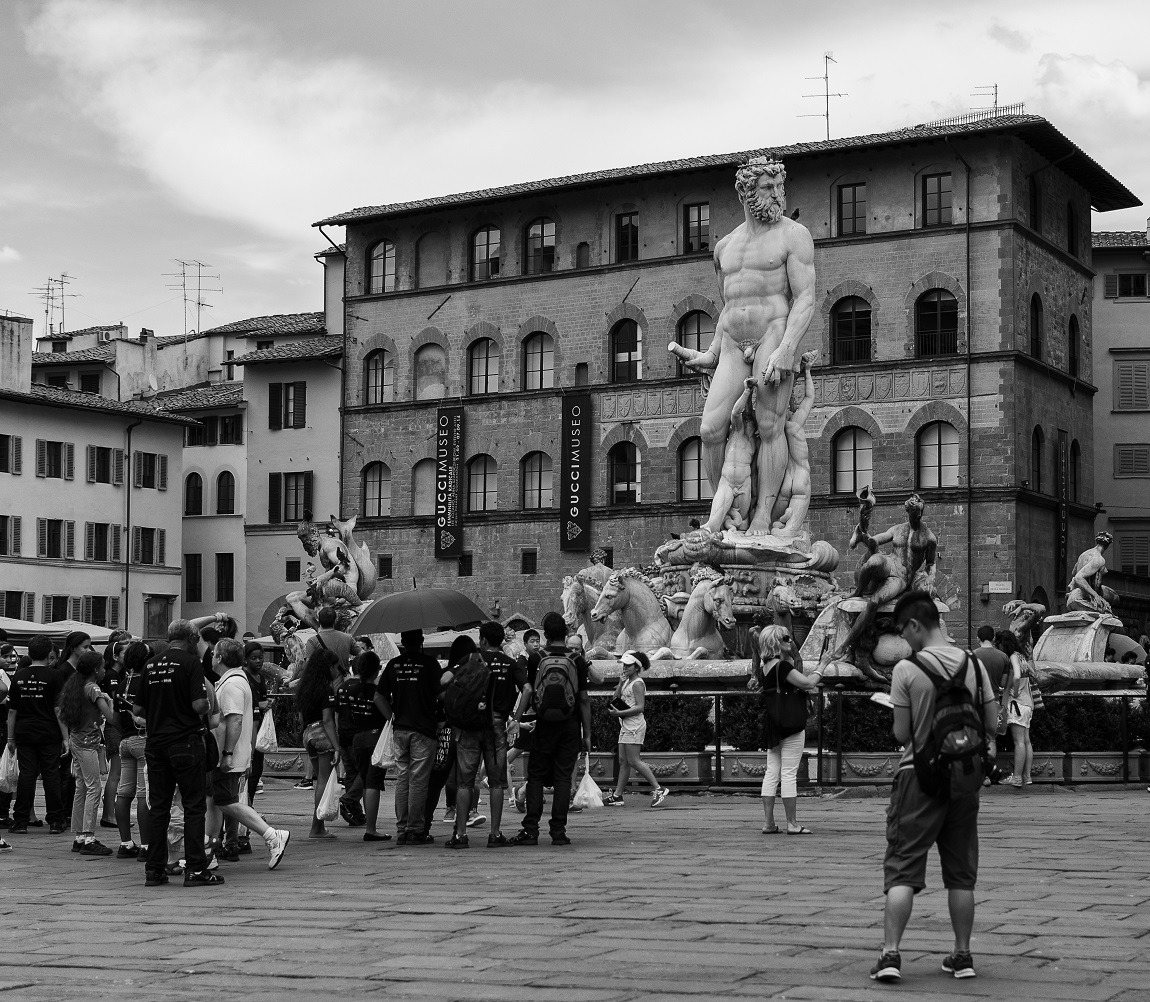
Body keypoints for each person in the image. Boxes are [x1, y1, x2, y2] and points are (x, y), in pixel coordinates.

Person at [668, 156, 815, 535]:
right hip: (733, 344)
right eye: (769, 188)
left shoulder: (794, 235)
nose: (778, 195)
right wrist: (710, 354)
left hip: (773, 335)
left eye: (780, 187)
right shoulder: (724, 248)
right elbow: (728, 308)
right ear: (746, 192)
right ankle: (732, 512)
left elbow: (806, 298)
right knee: (710, 429)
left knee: (770, 426)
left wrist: (787, 349)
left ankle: (763, 517)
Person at [870, 591, 997, 983]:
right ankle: (962, 955)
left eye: (903, 633)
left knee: (903, 868)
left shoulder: (907, 671)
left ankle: (891, 955)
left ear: (914, 625)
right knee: (961, 875)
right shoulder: (975, 664)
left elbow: (902, 733)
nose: (903, 642)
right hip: (964, 777)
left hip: (918, 776)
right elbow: (992, 724)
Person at [133, 619, 224, 888]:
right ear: (192, 638)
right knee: (194, 807)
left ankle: (155, 869)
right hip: (185, 741)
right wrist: (206, 703)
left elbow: (138, 710)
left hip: (156, 743)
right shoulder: (190, 663)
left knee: (159, 807)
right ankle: (196, 869)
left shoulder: (150, 664)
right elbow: (198, 705)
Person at [206, 639, 290, 868]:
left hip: (227, 755)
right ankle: (208, 853)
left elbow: (234, 719)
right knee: (215, 802)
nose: (211, 656)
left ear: (220, 658)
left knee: (225, 802)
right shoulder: (235, 680)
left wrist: (227, 753)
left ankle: (272, 834)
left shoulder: (232, 683)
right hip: (228, 754)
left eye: (213, 653)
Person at [510, 612, 591, 847]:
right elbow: (584, 700)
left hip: (543, 724)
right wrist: (587, 734)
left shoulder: (537, 658)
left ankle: (531, 829)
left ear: (545, 634)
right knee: (563, 778)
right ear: (566, 634)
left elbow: (529, 691)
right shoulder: (577, 659)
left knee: (535, 776)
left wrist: (516, 718)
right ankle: (558, 831)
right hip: (569, 725)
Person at [445, 621, 528, 849]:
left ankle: (460, 835)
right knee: (497, 782)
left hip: (470, 725)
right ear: (501, 640)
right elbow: (528, 689)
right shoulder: (510, 664)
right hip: (497, 726)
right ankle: (495, 834)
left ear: (482, 640)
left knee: (465, 782)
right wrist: (517, 719)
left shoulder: (471, 660)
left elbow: (445, 680)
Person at [375, 629, 441, 845]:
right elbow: (441, 694)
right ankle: (416, 829)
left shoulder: (394, 665)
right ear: (421, 641)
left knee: (403, 778)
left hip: (400, 729)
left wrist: (392, 717)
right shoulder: (430, 664)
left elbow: (379, 696)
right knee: (419, 779)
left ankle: (402, 829)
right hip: (423, 729)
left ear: (402, 642)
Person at [754, 626, 820, 834]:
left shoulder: (765, 668)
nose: (790, 640)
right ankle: (792, 823)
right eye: (785, 637)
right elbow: (808, 683)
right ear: (775, 642)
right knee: (789, 773)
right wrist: (823, 665)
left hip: (773, 723)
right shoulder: (782, 666)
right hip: (790, 724)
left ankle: (768, 823)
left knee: (772, 772)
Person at [56, 651, 117, 856]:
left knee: (82, 788)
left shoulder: (75, 686)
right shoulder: (93, 688)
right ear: (94, 670)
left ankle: (79, 836)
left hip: (76, 740)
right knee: (94, 788)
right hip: (88, 744)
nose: (104, 671)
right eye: (101, 667)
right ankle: (89, 837)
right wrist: (109, 701)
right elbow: (110, 716)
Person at [6, 635, 69, 835]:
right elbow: (59, 709)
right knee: (51, 775)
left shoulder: (19, 675)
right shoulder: (55, 675)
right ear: (48, 653)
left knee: (27, 775)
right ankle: (56, 820)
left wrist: (10, 738)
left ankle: (21, 820)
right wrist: (66, 737)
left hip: (24, 732)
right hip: (49, 732)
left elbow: (12, 711)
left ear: (30, 652)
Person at [602, 650, 669, 808]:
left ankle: (658, 789)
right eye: (624, 665)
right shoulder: (627, 681)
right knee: (623, 761)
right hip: (626, 724)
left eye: (628, 665)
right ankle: (618, 795)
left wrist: (620, 713)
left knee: (633, 760)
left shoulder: (638, 683)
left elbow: (640, 707)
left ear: (637, 667)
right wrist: (619, 683)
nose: (625, 667)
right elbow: (615, 698)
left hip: (634, 724)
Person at [295, 648, 343, 840]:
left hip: (308, 734)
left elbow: (300, 717)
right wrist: (337, 747)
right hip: (322, 735)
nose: (337, 670)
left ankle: (318, 826)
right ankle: (317, 827)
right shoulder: (327, 689)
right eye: (335, 666)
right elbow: (328, 720)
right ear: (328, 667)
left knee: (319, 781)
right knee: (324, 779)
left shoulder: (305, 687)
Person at [702, 377, 757, 532]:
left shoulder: (755, 442)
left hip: (744, 483)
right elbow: (735, 412)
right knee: (714, 522)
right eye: (747, 421)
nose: (748, 424)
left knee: (743, 523)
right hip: (727, 482)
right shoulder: (738, 431)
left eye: (751, 422)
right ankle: (710, 530)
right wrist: (747, 391)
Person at [334, 650, 381, 829]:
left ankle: (356, 813)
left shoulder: (343, 688)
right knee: (367, 775)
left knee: (352, 775)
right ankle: (349, 799)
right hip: (360, 735)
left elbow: (337, 715)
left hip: (344, 736)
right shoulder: (369, 690)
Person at [114, 640, 152, 859]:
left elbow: (116, 718)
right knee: (143, 794)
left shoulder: (121, 684)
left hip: (125, 741)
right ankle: (146, 846)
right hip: (142, 739)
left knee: (124, 792)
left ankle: (126, 843)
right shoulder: (145, 681)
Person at [995, 630, 1033, 789]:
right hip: (1027, 703)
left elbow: (1016, 675)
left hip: (1017, 704)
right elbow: (1031, 673)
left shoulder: (1012, 657)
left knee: (1018, 742)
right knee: (1026, 741)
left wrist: (1015, 691)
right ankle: (1027, 776)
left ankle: (1017, 778)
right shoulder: (1022, 656)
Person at [304, 606, 356, 673]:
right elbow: (363, 654)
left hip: (323, 681)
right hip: (343, 681)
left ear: (319, 621)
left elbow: (308, 667)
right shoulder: (348, 638)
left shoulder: (312, 641)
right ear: (335, 621)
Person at [972, 625, 1010, 699]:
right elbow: (1003, 683)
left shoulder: (972, 656)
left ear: (978, 639)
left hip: (977, 700)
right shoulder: (1004, 657)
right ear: (993, 638)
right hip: (994, 699)